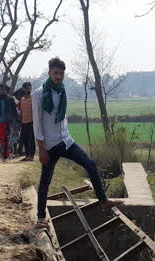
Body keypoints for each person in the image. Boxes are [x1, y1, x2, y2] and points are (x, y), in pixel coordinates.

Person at [33, 57, 122, 229]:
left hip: (66, 140)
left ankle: (103, 200)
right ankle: (40, 217)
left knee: (90, 164)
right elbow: (37, 124)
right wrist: (41, 149)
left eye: (61, 73)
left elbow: (62, 117)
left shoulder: (62, 90)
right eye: (55, 73)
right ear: (49, 72)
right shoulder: (38, 94)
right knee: (45, 180)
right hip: (50, 145)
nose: (59, 77)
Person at [0, 84, 18, 161]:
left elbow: (14, 110)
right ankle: (6, 153)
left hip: (8, 122)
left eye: (3, 89)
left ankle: (5, 155)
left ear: (6, 90)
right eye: (0, 89)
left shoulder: (10, 99)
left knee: (7, 138)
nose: (2, 91)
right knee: (1, 139)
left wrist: (16, 120)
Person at [19, 86, 35, 161]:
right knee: (24, 139)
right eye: (25, 88)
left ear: (30, 89)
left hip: (31, 122)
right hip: (23, 122)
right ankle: (27, 155)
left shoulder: (33, 99)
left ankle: (32, 156)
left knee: (31, 139)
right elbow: (21, 111)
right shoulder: (22, 99)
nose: (26, 90)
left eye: (28, 88)